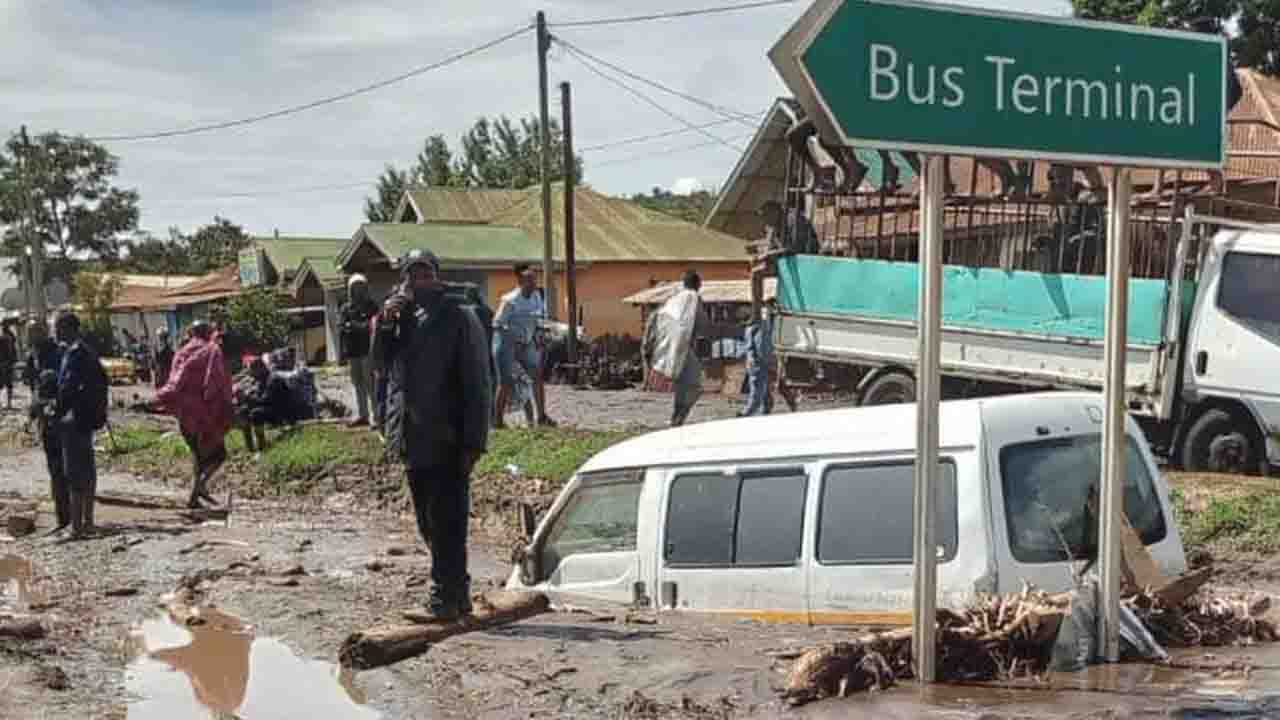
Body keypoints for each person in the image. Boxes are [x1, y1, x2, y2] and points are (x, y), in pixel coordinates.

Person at [379, 248, 492, 620]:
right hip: (411, 436)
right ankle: (456, 591)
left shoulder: (458, 316)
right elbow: (381, 365)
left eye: (426, 273)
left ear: (438, 276)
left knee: (447, 521)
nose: (420, 281)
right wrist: (385, 323)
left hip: (448, 437)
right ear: (403, 280)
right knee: (427, 522)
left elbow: (478, 381)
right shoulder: (402, 318)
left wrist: (474, 441)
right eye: (413, 275)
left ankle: (444, 596)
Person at [156, 321, 234, 509]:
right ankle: (199, 488)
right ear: (208, 333)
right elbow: (215, 380)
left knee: (198, 456)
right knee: (218, 455)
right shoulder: (212, 350)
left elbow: (173, 382)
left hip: (185, 415)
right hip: (205, 415)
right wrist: (225, 403)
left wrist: (160, 398)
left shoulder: (181, 353)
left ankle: (195, 496)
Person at [51, 312, 108, 538]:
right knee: (87, 470)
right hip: (86, 419)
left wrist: (55, 412)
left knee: (75, 473)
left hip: (74, 420)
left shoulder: (75, 354)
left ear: (68, 328)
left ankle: (77, 526)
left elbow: (68, 388)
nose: (55, 331)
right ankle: (87, 521)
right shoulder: (87, 352)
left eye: (58, 327)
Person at [644, 270, 712, 427]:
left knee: (682, 386)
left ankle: (676, 417)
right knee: (695, 385)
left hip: (668, 347)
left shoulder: (674, 298)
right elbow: (702, 324)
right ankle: (680, 416)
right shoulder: (694, 298)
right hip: (683, 348)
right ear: (698, 284)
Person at [491, 264, 556, 428]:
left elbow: (538, 319)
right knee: (505, 382)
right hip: (505, 344)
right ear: (520, 281)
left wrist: (541, 334)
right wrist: (513, 340)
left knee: (537, 377)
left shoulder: (537, 296)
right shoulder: (510, 300)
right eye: (529, 279)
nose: (534, 282)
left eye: (534, 279)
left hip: (526, 343)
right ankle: (498, 421)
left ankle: (541, 417)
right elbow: (497, 324)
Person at [23, 320, 69, 532]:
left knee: (61, 467)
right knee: (54, 468)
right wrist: (33, 414)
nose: (30, 337)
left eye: (33, 333)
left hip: (58, 417)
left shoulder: (55, 353)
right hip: (45, 418)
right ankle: (62, 516)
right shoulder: (34, 356)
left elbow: (54, 386)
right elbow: (34, 389)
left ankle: (67, 517)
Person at [339, 274, 378, 427]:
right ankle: (362, 415)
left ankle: (376, 416)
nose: (358, 290)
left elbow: (372, 326)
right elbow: (343, 328)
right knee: (357, 383)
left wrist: (355, 326)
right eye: (355, 287)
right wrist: (342, 353)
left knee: (370, 383)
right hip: (352, 350)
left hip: (367, 349)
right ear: (350, 289)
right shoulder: (346, 308)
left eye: (361, 286)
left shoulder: (372, 307)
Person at [741, 303, 777, 417]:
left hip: (766, 362)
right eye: (764, 311)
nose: (766, 313)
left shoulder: (769, 325)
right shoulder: (753, 327)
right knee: (757, 390)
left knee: (765, 390)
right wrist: (751, 359)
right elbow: (749, 347)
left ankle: (765, 410)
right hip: (757, 363)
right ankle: (747, 412)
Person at [0, 323, 17, 410]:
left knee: (3, 383)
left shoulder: (3, 339)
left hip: (3, 362)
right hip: (8, 363)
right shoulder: (11, 338)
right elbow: (13, 351)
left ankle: (6, 403)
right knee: (9, 383)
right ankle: (9, 403)